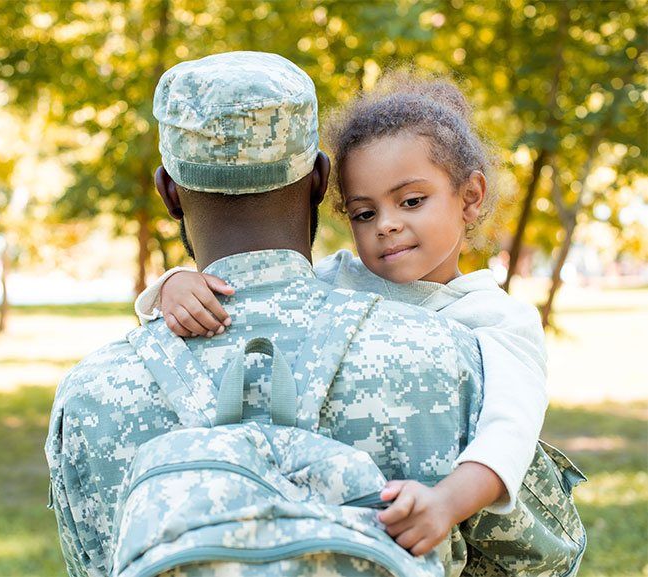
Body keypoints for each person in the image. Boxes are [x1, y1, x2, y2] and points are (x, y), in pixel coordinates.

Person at [45, 52, 488, 577]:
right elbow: (533, 560)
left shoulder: (92, 394)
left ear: (168, 192)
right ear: (322, 181)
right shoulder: (445, 350)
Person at [134, 71, 547, 556]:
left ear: (470, 197)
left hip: (411, 531)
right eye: (364, 213)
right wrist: (172, 285)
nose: (388, 225)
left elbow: (510, 431)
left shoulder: (495, 320)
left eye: (411, 201)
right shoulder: (336, 279)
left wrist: (445, 503)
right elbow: (254, 291)